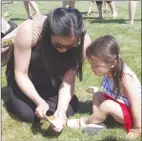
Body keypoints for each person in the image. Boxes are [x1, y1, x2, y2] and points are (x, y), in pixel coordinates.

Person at [5, 7, 91, 133]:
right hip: (27, 75)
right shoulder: (29, 30)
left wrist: (61, 110)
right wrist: (39, 101)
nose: (64, 50)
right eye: (58, 45)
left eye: (70, 46)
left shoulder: (84, 43)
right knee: (27, 115)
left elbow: (68, 80)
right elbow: (20, 73)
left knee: (67, 110)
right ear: (49, 33)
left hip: (52, 75)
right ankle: (12, 94)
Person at [67, 35, 141, 139]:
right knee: (97, 95)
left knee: (107, 105)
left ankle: (86, 121)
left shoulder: (125, 79)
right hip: (119, 104)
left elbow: (136, 104)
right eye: (91, 65)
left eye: (96, 66)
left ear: (112, 63)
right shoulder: (110, 71)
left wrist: (137, 127)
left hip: (131, 113)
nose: (92, 68)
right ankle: (98, 122)